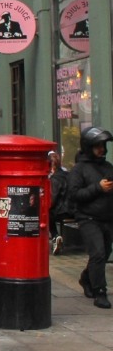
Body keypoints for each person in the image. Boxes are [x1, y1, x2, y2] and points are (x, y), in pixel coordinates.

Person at [66, 127, 113, 309]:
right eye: (97, 146)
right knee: (98, 253)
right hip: (88, 218)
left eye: (103, 145)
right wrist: (98, 188)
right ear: (88, 147)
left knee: (105, 253)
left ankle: (87, 278)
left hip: (107, 217)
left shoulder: (107, 167)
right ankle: (100, 291)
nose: (101, 149)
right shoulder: (79, 169)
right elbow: (74, 194)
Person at [48, 150, 70, 255]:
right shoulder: (67, 174)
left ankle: (55, 236)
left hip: (62, 211)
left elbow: (53, 199)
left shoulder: (54, 179)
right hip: (73, 210)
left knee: (46, 214)